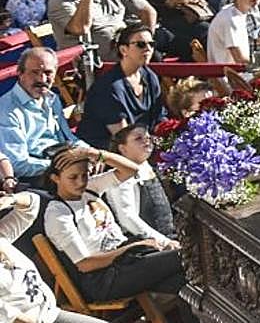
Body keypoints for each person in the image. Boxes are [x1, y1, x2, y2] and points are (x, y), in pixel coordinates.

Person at [42, 145, 186, 304]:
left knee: (185, 281)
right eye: (73, 177)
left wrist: (95, 153)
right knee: (186, 255)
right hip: (104, 278)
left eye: (84, 175)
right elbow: (85, 264)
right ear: (55, 178)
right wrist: (132, 248)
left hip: (129, 258)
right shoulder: (58, 214)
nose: (80, 182)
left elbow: (131, 170)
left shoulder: (89, 189)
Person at [0, 184, 101, 323]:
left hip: (50, 314)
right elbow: (10, 316)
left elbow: (32, 205)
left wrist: (10, 199)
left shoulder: (2, 237)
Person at [76, 24, 163, 148]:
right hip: (106, 150)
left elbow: (159, 117)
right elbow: (123, 137)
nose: (148, 49)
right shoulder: (109, 87)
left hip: (140, 144)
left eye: (151, 44)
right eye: (141, 44)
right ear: (123, 50)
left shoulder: (150, 77)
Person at [0, 48, 79, 183]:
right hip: (38, 175)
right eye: (35, 72)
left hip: (62, 161)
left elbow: (68, 137)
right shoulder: (6, 110)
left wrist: (93, 154)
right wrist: (66, 165)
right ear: (20, 73)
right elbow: (18, 164)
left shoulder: (51, 98)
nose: (42, 78)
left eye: (48, 73)